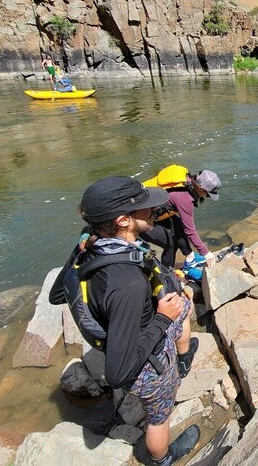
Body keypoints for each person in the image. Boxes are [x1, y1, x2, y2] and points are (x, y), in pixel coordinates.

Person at [48, 177, 200, 466]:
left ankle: (183, 358)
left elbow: (58, 294)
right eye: (145, 208)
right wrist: (160, 318)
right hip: (147, 363)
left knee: (184, 306)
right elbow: (118, 374)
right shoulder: (127, 285)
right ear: (123, 221)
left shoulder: (89, 241)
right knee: (159, 416)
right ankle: (162, 458)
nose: (153, 210)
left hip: (124, 327)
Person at [140, 166, 222, 268]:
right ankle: (167, 274)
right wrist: (206, 253)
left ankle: (190, 257)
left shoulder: (185, 179)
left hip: (148, 208)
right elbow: (190, 231)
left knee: (178, 224)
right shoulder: (185, 199)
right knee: (171, 244)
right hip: (138, 219)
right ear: (200, 188)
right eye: (208, 194)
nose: (207, 197)